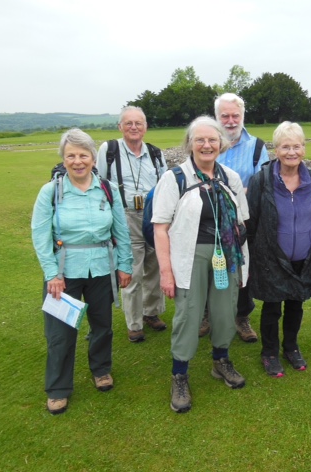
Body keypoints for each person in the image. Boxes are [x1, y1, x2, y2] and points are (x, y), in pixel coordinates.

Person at [152, 116, 250, 413]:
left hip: (226, 257)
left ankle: (221, 362)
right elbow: (160, 228)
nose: (206, 145)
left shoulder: (231, 177)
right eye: (200, 140)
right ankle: (179, 375)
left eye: (212, 140)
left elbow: (242, 223)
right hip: (189, 256)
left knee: (224, 311)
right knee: (189, 316)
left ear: (221, 144)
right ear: (190, 144)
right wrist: (166, 273)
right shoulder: (175, 178)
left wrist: (243, 266)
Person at [32, 128, 133, 415]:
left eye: (83, 155)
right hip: (64, 273)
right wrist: (52, 274)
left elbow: (121, 231)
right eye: (71, 155)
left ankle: (101, 370)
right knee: (60, 333)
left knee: (102, 325)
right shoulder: (51, 191)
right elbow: (40, 235)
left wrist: (124, 265)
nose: (78, 161)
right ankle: (58, 388)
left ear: (93, 158)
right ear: (63, 160)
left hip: (102, 268)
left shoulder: (107, 189)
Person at [246, 121, 311, 377]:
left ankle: (291, 347)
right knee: (272, 307)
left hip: (302, 256)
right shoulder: (261, 180)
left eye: (296, 146)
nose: (292, 152)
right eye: (285, 147)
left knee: (296, 304)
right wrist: (254, 259)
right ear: (276, 150)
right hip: (270, 257)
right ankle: (269, 352)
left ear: (304, 148)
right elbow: (251, 221)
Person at [198, 93, 270, 342]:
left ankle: (241, 317)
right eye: (224, 116)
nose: (230, 121)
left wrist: (234, 192)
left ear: (242, 116)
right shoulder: (206, 142)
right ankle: (207, 314)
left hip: (243, 219)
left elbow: (263, 184)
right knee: (208, 266)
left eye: (235, 115)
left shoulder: (257, 147)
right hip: (207, 218)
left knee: (242, 268)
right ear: (216, 116)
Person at [97, 106, 167, 343]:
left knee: (155, 266)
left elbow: (166, 186)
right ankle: (134, 323)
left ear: (145, 127)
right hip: (125, 216)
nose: (134, 128)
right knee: (132, 269)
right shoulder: (109, 150)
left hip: (153, 215)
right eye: (129, 123)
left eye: (139, 123)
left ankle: (151, 312)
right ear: (120, 127)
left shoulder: (156, 154)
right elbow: (100, 184)